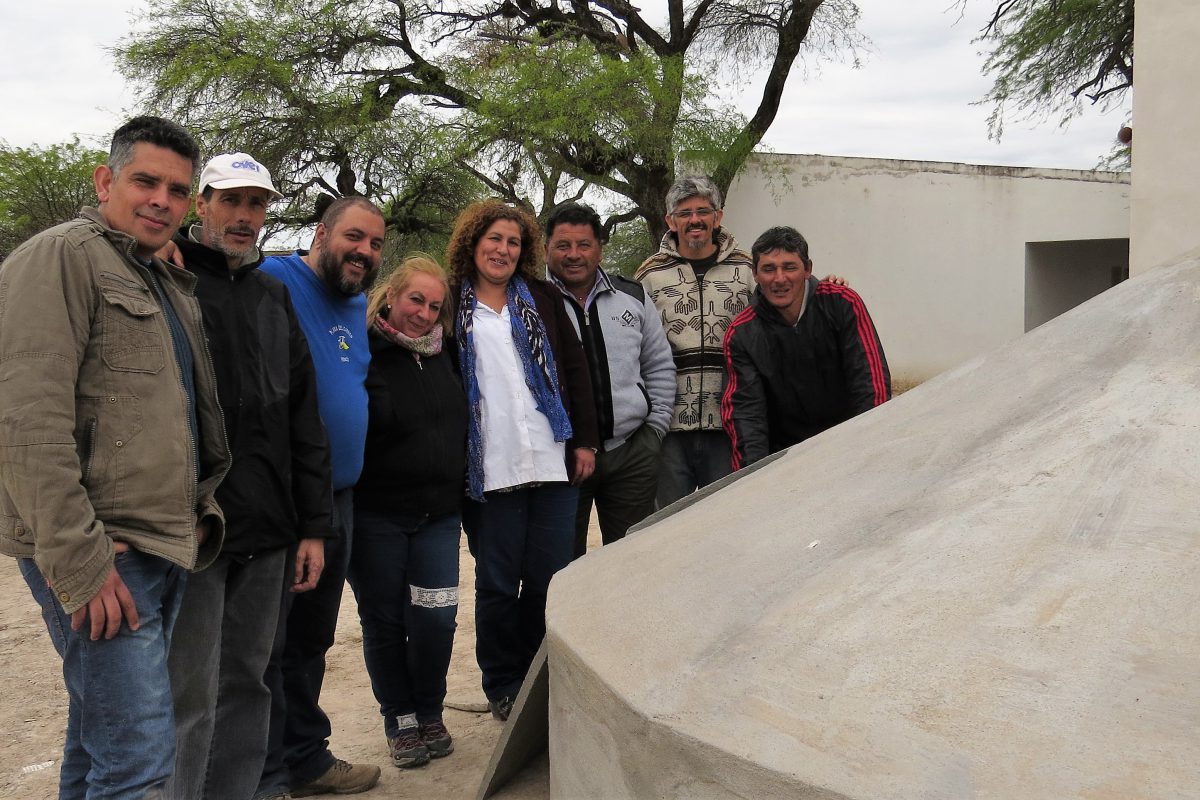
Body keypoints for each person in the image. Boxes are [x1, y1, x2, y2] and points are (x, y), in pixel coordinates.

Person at [0, 116, 229, 798]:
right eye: (145, 181)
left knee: (99, 748)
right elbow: (26, 423)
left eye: (179, 190)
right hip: (104, 560)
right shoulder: (60, 257)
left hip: (158, 548)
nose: (162, 200)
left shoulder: (162, 278)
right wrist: (80, 563)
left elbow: (178, 416)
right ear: (106, 181)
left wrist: (192, 514)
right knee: (138, 764)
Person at [162, 153, 334, 800]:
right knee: (188, 692)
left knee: (249, 681)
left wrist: (313, 527)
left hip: (269, 527)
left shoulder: (273, 295)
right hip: (195, 527)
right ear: (201, 203)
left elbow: (303, 418)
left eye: (256, 204)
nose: (244, 217)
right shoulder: (165, 280)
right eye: (230, 200)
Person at [447, 200, 599, 721]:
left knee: (548, 581)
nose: (503, 250)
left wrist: (584, 441)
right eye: (494, 239)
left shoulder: (542, 297)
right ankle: (504, 684)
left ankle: (543, 678)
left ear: (524, 250)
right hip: (491, 470)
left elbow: (576, 372)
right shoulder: (449, 304)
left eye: (513, 242)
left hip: (552, 462)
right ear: (474, 242)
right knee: (496, 583)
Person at [256, 197, 385, 798]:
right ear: (321, 233)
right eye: (353, 237)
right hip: (283, 498)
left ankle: (304, 759)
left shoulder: (356, 303)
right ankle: (263, 772)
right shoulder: (277, 274)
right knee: (266, 643)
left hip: (340, 500)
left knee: (311, 639)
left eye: (376, 244)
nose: (364, 252)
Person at [350, 255, 468, 770]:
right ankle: (399, 716)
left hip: (439, 517)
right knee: (383, 621)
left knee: (436, 620)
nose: (423, 313)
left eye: (434, 306)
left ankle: (429, 708)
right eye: (415, 300)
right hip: (377, 515)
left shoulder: (446, 353)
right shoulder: (364, 351)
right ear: (392, 296)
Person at [544, 201, 675, 557]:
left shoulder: (631, 295)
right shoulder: (532, 301)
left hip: (631, 452)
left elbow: (659, 364)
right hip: (561, 458)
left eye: (584, 245)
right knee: (560, 566)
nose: (574, 255)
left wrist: (654, 431)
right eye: (563, 245)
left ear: (599, 247)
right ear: (546, 248)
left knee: (631, 562)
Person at [722, 226, 891, 470]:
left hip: (852, 447)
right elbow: (746, 416)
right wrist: (752, 478)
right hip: (787, 461)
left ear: (807, 269)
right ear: (755, 274)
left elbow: (870, 384)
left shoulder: (842, 303)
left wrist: (871, 449)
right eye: (769, 269)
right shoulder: (741, 334)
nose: (779, 279)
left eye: (790, 267)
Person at [634, 175, 754, 508]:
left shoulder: (747, 270)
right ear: (671, 221)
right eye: (684, 213)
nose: (695, 220)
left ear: (718, 216)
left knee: (727, 520)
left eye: (703, 211)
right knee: (667, 526)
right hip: (669, 428)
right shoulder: (649, 276)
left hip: (728, 423)